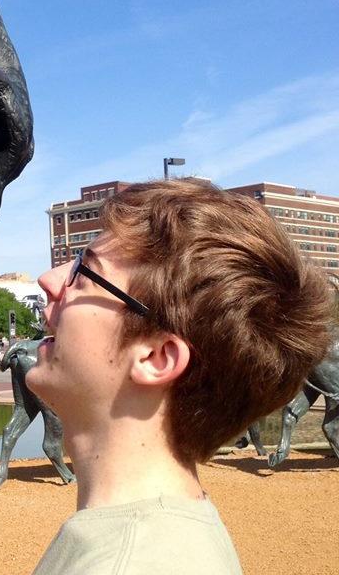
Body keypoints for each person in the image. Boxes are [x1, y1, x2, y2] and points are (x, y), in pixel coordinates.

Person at [27, 179, 333, 575]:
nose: (50, 280)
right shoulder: (163, 534)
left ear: (157, 357)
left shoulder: (129, 563)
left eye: (84, 275)